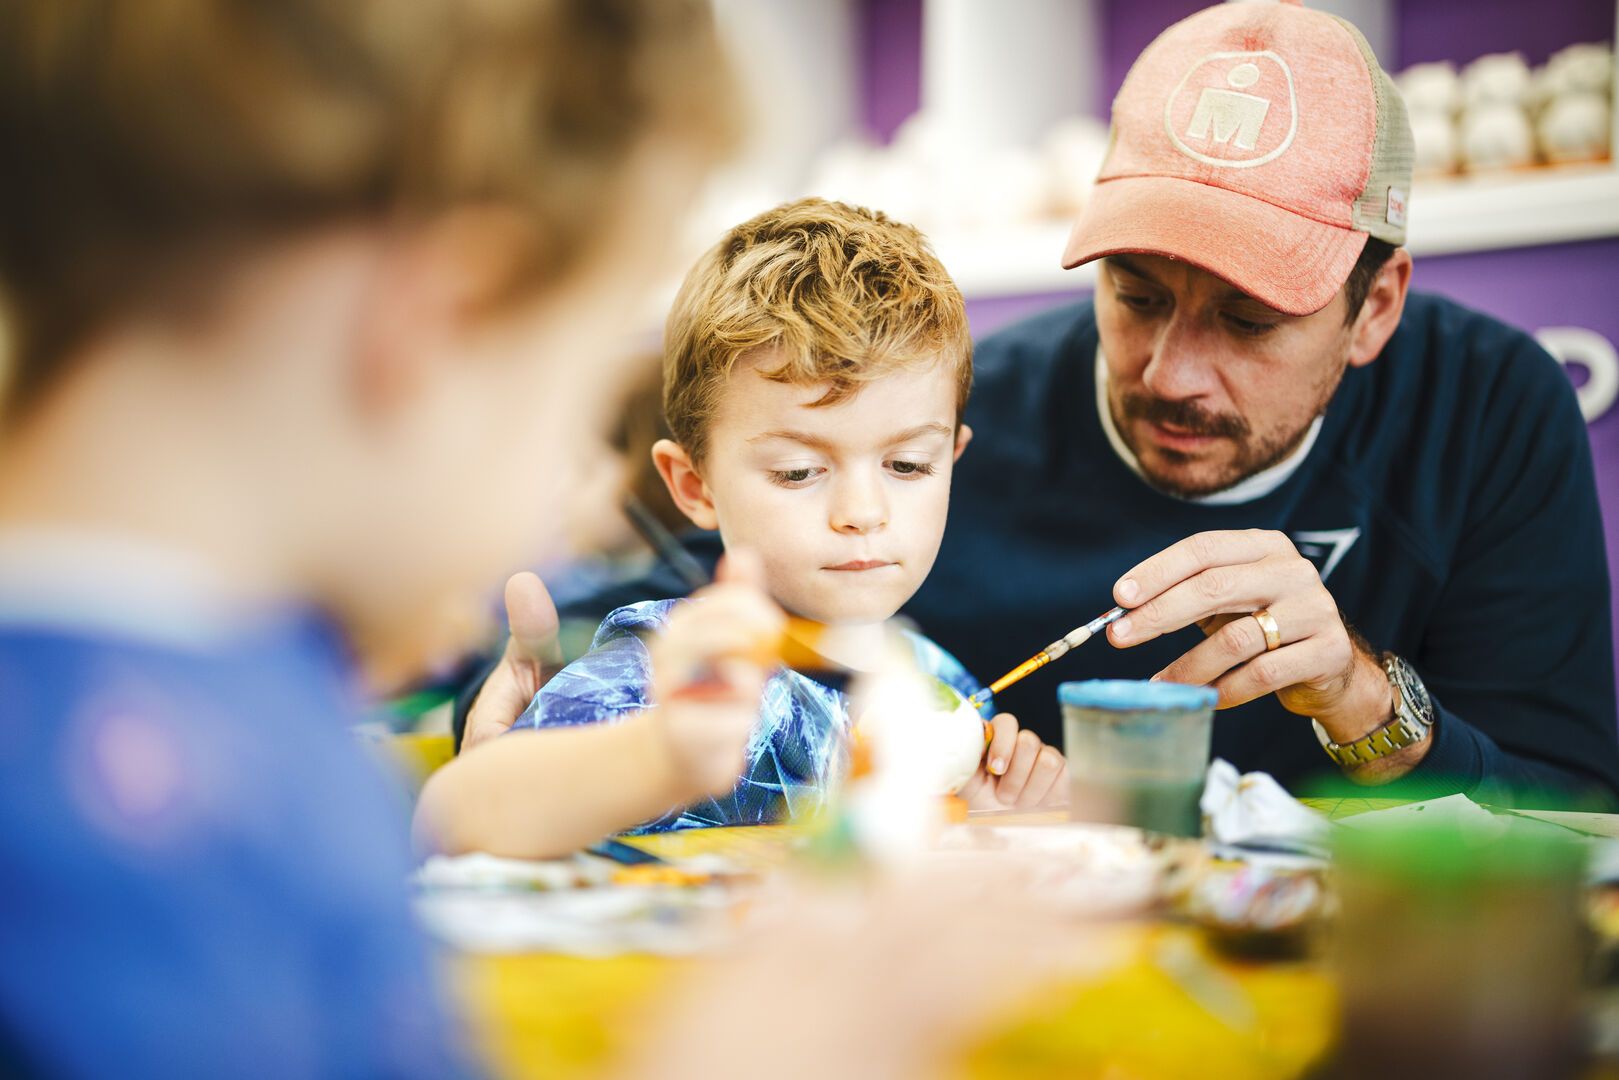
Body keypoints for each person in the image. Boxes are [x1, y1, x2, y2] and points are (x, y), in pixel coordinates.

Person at [461, 0, 1619, 807]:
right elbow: (651, 639)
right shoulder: (942, 415)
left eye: (1248, 320)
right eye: (1135, 292)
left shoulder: (1487, 410)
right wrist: (518, 720)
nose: (1169, 368)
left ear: (1373, 310)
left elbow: (1566, 813)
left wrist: (1362, 698)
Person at [0, 0, 759, 1074]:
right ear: (446, 317)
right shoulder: (164, 815)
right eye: (580, 394)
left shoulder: (227, 701)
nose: (571, 486)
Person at [418, 199, 1067, 856]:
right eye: (797, 471)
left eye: (906, 464)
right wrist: (662, 752)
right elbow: (453, 822)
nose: (863, 512)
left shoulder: (939, 688)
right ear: (693, 487)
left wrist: (989, 816)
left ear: (951, 460)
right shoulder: (657, 679)